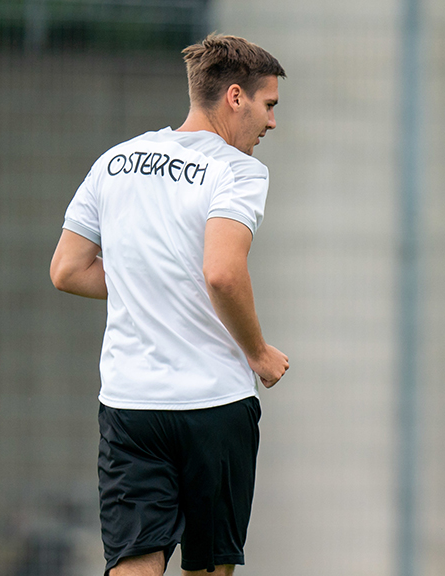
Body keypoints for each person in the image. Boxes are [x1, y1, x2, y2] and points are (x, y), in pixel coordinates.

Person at [50, 33, 289, 576]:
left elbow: (67, 270)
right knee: (209, 567)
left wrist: (149, 281)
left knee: (134, 563)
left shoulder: (115, 161)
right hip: (215, 403)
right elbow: (222, 272)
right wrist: (258, 352)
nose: (272, 122)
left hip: (130, 404)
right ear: (235, 97)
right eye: (269, 105)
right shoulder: (238, 170)